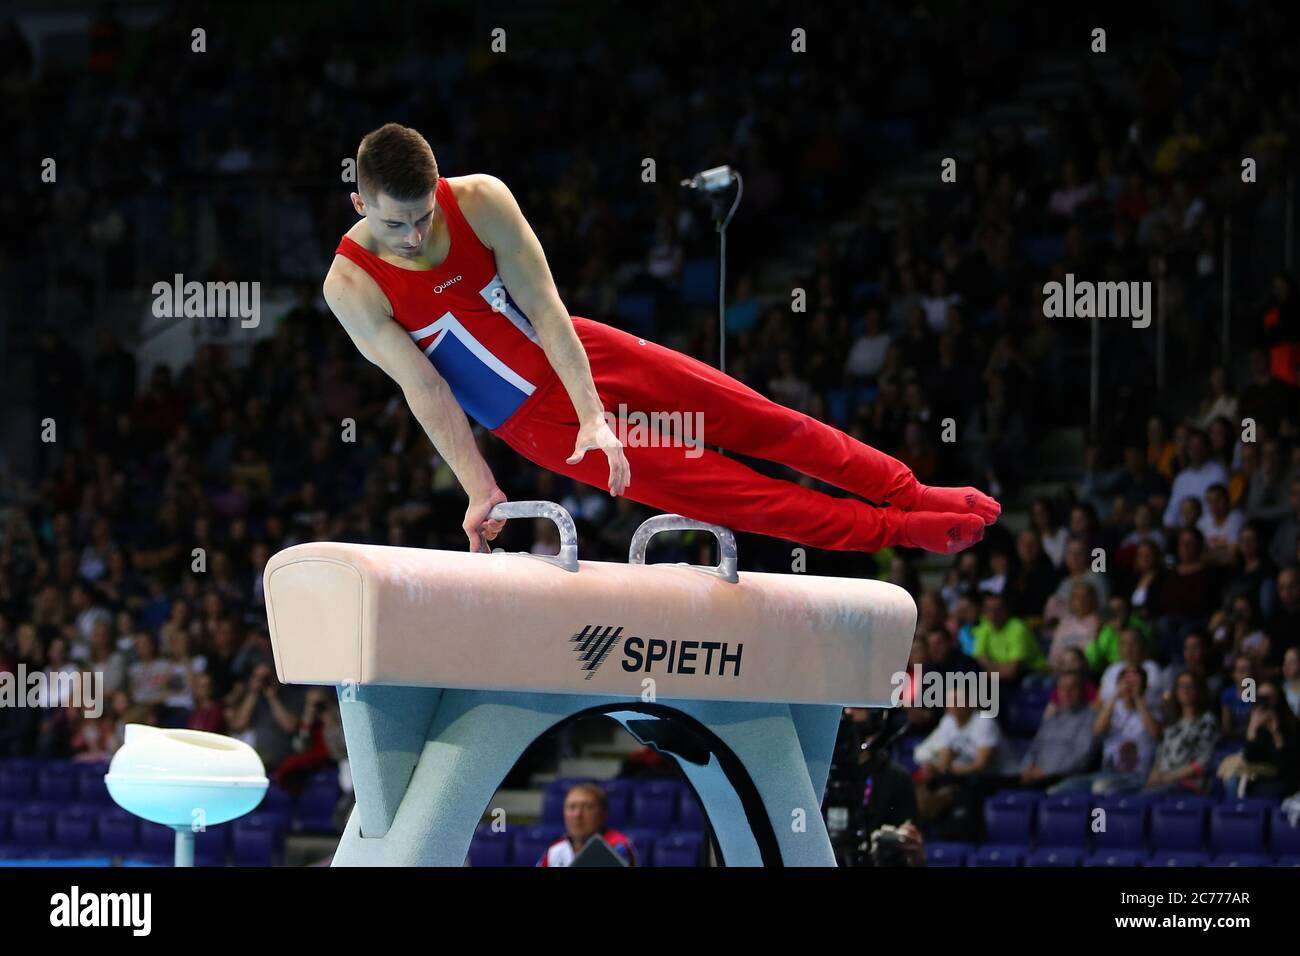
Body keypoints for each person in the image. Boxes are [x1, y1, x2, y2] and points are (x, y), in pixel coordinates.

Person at [323, 124, 1001, 557]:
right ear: (360, 204)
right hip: (534, 419)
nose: (413, 235)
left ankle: (910, 492)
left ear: (437, 186)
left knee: (767, 423)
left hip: (586, 356)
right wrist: (480, 488)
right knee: (732, 492)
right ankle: (899, 532)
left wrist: (597, 414)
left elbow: (548, 309)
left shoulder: (480, 200)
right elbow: (426, 387)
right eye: (394, 224)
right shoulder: (353, 287)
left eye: (422, 216)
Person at [1050, 665, 1162, 796]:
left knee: (1102, 788)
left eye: (1134, 682)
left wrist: (1137, 697)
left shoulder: (1153, 710)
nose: (1129, 686)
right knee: (1057, 791)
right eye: (1126, 681)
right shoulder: (1112, 709)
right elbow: (1098, 730)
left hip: (1137, 776)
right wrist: (1116, 696)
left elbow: (1155, 733)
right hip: (1107, 773)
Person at [1019, 670, 1098, 788]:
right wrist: (1026, 769)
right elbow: (1035, 747)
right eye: (1062, 689)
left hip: (1065, 778)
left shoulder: (1091, 718)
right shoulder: (1052, 717)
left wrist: (1047, 772)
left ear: (1082, 691)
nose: (1066, 693)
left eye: (1072, 689)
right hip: (1037, 775)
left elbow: (1081, 757)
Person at [1147, 672, 1218, 794]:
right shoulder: (1172, 723)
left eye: (1190, 686)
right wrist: (1154, 775)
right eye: (1181, 686)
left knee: (1149, 796)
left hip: (1187, 783)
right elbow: (1161, 754)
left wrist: (1169, 778)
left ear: (1199, 690)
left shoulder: (1207, 721)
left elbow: (1204, 762)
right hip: (1162, 781)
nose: (1185, 690)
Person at [538, 783, 638, 866]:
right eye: (571, 807)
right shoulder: (555, 849)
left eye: (587, 807)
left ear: (603, 813)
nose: (577, 815)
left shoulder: (617, 845)